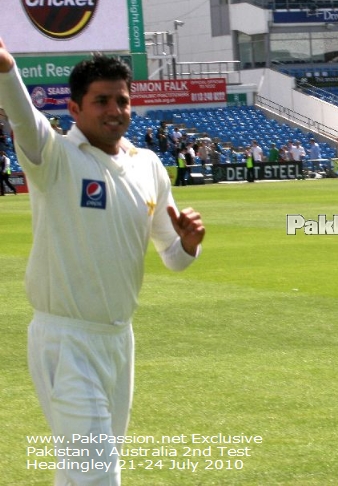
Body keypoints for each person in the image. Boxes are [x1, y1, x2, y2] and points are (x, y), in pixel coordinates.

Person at [0, 39, 204, 486]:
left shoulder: (147, 164)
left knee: (80, 474)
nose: (115, 110)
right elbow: (22, 117)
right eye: (101, 101)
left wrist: (188, 245)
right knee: (96, 474)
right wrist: (7, 68)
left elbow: (173, 259)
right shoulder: (54, 157)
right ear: (74, 108)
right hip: (66, 338)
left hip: (118, 341)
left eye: (122, 100)